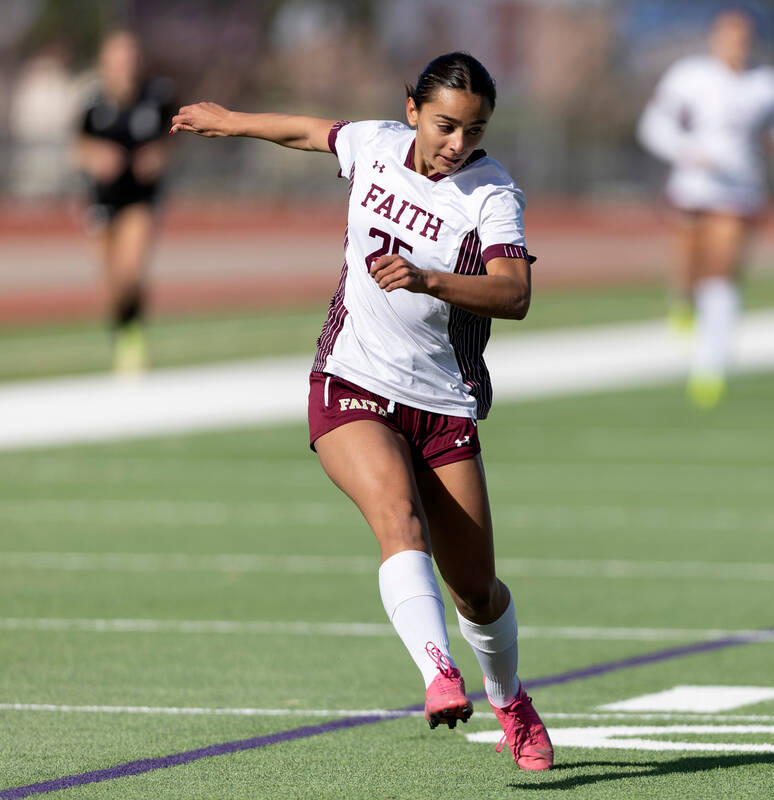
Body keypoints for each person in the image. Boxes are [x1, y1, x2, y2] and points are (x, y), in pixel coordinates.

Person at [170, 52, 553, 771]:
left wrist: (433, 279)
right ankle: (439, 674)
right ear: (412, 109)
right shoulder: (376, 143)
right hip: (349, 380)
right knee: (397, 521)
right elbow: (310, 131)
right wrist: (231, 122)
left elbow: (516, 293)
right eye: (444, 125)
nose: (456, 144)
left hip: (441, 404)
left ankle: (510, 700)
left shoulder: (492, 193)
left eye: (472, 131)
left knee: (476, 586)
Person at [637, 7, 774, 407]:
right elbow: (654, 125)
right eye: (729, 37)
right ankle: (683, 304)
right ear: (715, 39)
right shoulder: (688, 76)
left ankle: (712, 363)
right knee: (689, 268)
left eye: (744, 39)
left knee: (722, 268)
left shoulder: (768, 85)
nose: (737, 46)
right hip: (692, 188)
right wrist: (686, 151)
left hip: (740, 191)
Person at [75, 30, 175, 374]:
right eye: (117, 58)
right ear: (105, 63)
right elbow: (78, 147)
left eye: (129, 57)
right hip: (102, 202)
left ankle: (133, 340)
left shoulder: (156, 98)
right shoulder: (92, 104)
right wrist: (96, 156)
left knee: (130, 271)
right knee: (114, 285)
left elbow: (176, 137)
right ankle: (127, 331)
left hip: (140, 199)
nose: (124, 65)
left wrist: (159, 154)